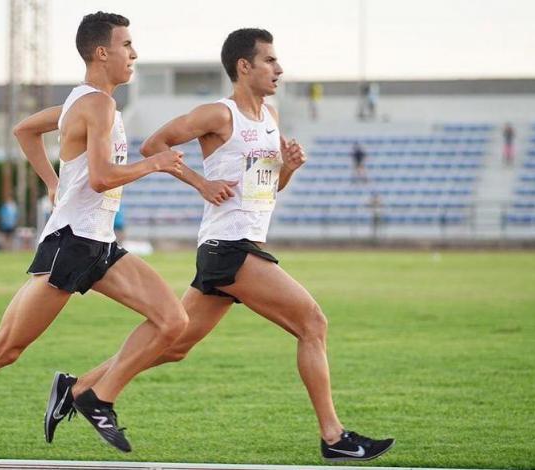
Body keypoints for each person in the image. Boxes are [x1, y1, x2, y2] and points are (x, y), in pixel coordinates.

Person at [46, 28, 395, 463]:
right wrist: (200, 182)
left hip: (239, 246)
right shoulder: (219, 114)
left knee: (174, 346)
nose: (279, 68)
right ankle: (334, 437)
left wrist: (287, 169)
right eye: (269, 60)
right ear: (243, 66)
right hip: (230, 249)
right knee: (312, 323)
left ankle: (75, 389)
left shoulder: (271, 116)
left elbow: (269, 190)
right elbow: (155, 144)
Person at [0, 12, 189, 470]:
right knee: (5, 349)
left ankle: (86, 393)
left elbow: (25, 130)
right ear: (102, 53)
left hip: (99, 242)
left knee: (173, 322)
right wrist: (157, 164)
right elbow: (100, 177)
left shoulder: (85, 103)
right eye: (127, 45)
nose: (134, 54)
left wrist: (52, 182)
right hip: (72, 244)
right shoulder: (96, 105)